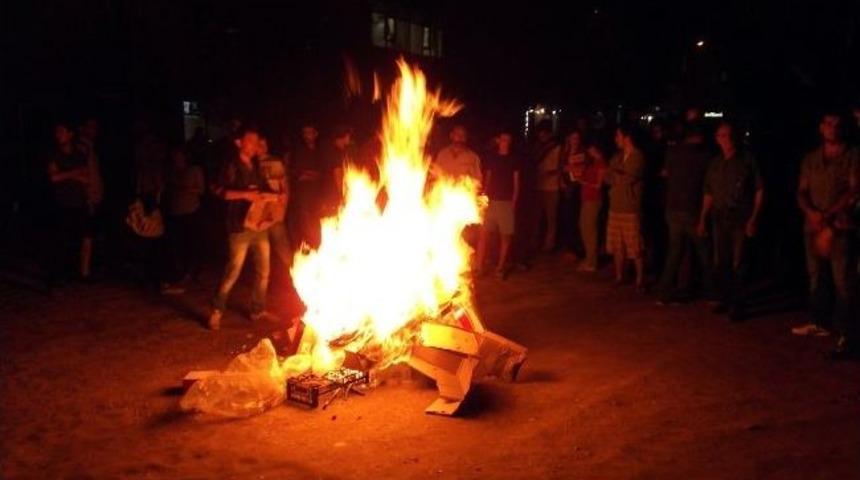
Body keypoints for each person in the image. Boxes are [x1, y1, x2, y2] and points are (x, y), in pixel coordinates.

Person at [792, 112, 859, 360]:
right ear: (821, 128)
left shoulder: (852, 156)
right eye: (828, 124)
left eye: (837, 124)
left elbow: (854, 191)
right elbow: (801, 191)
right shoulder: (811, 159)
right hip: (813, 225)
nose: (833, 128)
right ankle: (819, 321)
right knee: (816, 275)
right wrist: (811, 213)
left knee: (844, 281)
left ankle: (847, 335)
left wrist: (828, 216)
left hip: (839, 227)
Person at [209, 127, 283, 330]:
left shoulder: (257, 165)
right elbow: (219, 190)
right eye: (250, 141)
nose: (254, 145)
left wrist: (273, 196)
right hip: (238, 226)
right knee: (233, 270)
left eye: (256, 141)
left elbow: (261, 190)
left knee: (264, 271)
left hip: (258, 225)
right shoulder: (230, 166)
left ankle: (257, 310)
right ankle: (217, 311)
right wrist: (244, 195)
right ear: (239, 143)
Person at [697, 121, 764, 322]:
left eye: (730, 134)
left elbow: (760, 190)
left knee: (739, 261)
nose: (727, 139)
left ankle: (738, 304)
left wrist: (754, 217)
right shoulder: (715, 163)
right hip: (719, 217)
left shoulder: (747, 161)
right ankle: (724, 298)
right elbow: (708, 192)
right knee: (721, 261)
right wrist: (702, 218)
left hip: (741, 217)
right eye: (722, 135)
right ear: (717, 139)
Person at [656, 123, 716, 304]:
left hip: (672, 209)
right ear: (698, 136)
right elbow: (709, 183)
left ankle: (663, 293)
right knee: (705, 252)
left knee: (674, 252)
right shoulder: (704, 156)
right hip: (692, 210)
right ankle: (712, 293)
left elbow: (664, 173)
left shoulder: (672, 152)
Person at [45, 122, 93, 283]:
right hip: (62, 203)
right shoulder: (54, 154)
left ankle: (83, 273)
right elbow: (53, 177)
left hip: (79, 202)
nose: (58, 134)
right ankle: (62, 274)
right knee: (63, 240)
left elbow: (86, 178)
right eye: (57, 131)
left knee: (85, 238)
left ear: (70, 134)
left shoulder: (79, 154)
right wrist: (74, 173)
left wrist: (64, 174)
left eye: (61, 131)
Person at [604, 124, 646, 290]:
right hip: (615, 206)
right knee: (617, 244)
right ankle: (620, 275)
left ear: (627, 138)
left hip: (630, 208)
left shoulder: (638, 157)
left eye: (618, 136)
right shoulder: (617, 157)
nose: (616, 139)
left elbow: (627, 178)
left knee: (635, 245)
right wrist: (615, 175)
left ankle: (640, 279)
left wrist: (613, 174)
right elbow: (608, 177)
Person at [476, 130, 521, 278]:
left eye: (507, 140)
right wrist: (484, 197)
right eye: (502, 139)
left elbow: (516, 183)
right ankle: (479, 266)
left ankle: (500, 268)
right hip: (491, 202)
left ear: (510, 142)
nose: (504, 142)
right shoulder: (492, 158)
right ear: (498, 141)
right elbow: (487, 179)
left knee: (505, 237)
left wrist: (513, 203)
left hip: (506, 203)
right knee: (484, 235)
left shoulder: (514, 159)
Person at [161, 146, 205, 294]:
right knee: (178, 243)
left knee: (192, 242)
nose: (177, 158)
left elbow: (201, 189)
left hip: (191, 211)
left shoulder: (194, 170)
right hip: (175, 212)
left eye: (179, 155)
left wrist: (185, 189)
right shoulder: (171, 171)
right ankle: (181, 271)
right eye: (175, 156)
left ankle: (194, 271)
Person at [257, 134, 291, 275]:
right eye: (259, 145)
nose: (263, 148)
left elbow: (285, 186)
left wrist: (284, 207)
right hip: (258, 213)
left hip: (275, 211)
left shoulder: (275, 162)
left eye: (265, 144)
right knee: (261, 250)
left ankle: (294, 275)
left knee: (282, 246)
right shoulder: (251, 164)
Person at [288, 122, 323, 249]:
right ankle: (308, 248)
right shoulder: (299, 152)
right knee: (305, 221)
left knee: (317, 221)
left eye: (309, 132)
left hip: (318, 194)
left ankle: (318, 246)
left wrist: (311, 174)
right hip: (304, 194)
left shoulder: (320, 151)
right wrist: (311, 174)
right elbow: (297, 173)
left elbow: (322, 172)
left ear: (315, 134)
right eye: (304, 133)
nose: (306, 135)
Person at [577, 143, 607, 272]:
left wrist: (583, 182)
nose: (589, 152)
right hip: (587, 198)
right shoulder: (593, 162)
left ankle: (592, 262)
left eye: (591, 150)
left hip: (593, 199)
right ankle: (589, 258)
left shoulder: (601, 163)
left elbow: (598, 185)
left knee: (590, 229)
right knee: (584, 227)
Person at [558, 130, 586, 259]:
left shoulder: (582, 153)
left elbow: (581, 170)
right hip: (566, 187)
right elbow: (561, 168)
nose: (574, 140)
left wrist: (571, 168)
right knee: (566, 217)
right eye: (572, 138)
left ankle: (575, 248)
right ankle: (568, 246)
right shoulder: (565, 151)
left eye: (577, 138)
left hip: (576, 188)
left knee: (573, 217)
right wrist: (562, 180)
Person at [534, 124, 562, 252]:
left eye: (545, 134)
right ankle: (536, 242)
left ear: (550, 134)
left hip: (552, 188)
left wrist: (550, 173)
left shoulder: (557, 147)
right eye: (540, 134)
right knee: (537, 217)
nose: (542, 136)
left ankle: (549, 244)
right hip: (539, 187)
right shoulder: (538, 147)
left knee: (551, 218)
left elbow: (561, 167)